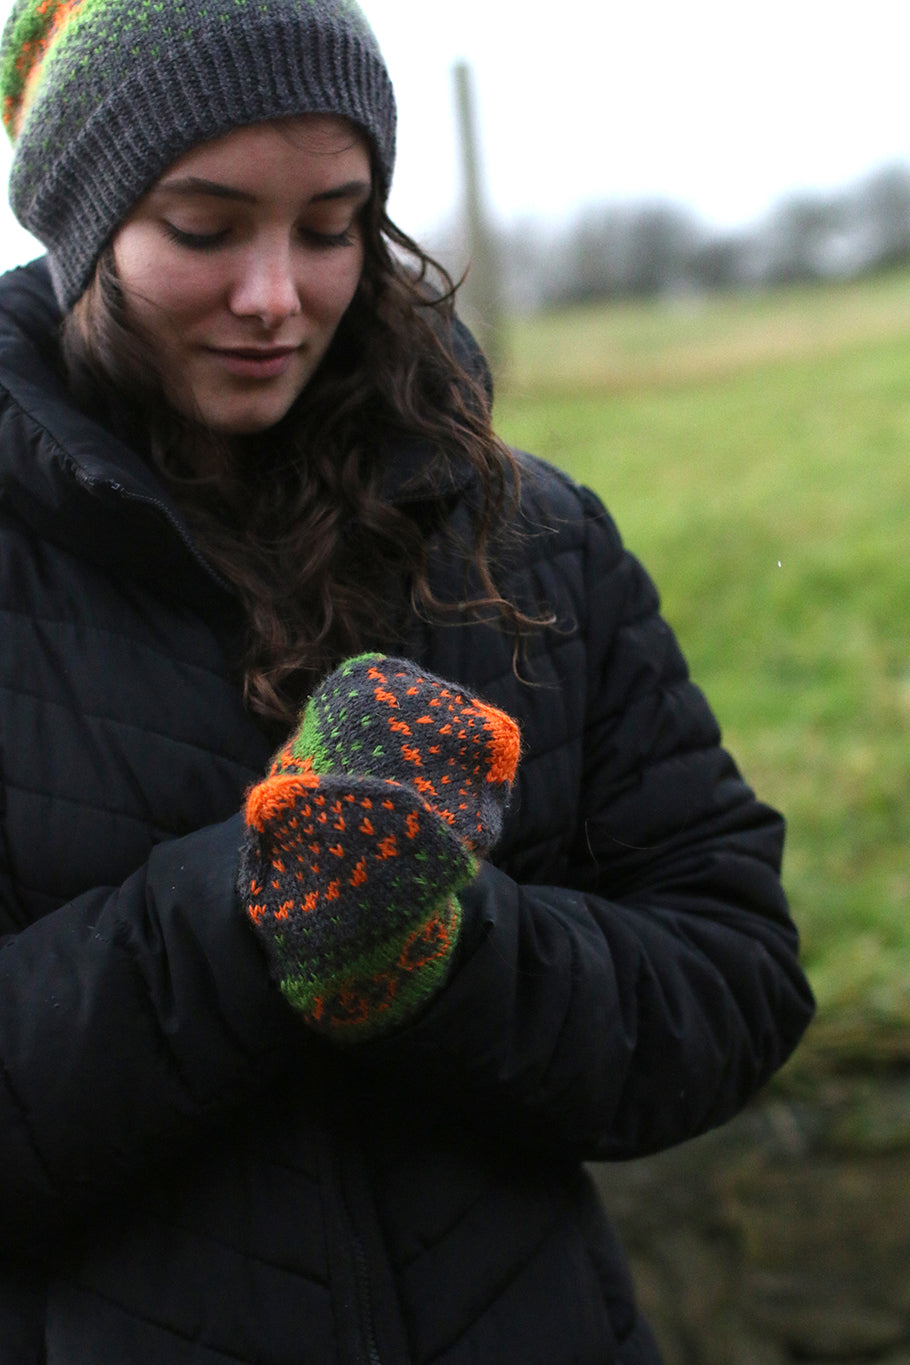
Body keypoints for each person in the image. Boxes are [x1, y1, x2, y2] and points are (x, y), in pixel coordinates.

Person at [0, 0, 814, 1359]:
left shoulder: (530, 543)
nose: (278, 295)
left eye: (331, 225)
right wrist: (248, 915)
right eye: (204, 227)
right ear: (85, 226)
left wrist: (441, 949)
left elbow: (729, 984)